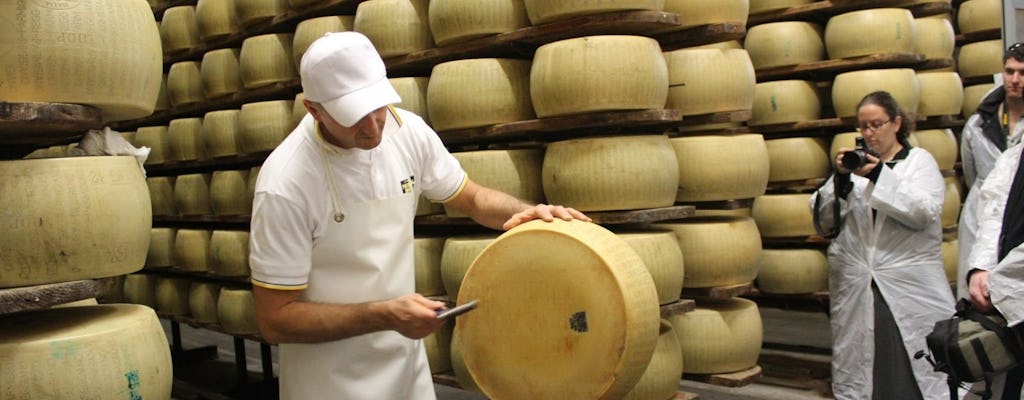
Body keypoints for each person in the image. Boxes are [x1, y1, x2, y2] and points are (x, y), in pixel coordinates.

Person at [247, 31, 590, 400]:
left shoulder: (406, 131)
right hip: (328, 379)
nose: (373, 127)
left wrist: (529, 212)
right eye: (353, 116)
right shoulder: (285, 183)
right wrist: (382, 314)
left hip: (403, 367)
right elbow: (275, 319)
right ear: (313, 109)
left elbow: (472, 198)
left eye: (377, 107)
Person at [810, 91, 955, 399]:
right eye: (863, 126)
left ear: (896, 123)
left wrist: (879, 175)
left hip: (906, 286)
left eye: (876, 124)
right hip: (859, 286)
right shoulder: (854, 169)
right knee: (862, 366)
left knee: (908, 363)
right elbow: (823, 222)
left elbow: (923, 211)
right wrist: (839, 183)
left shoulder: (918, 163)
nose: (869, 133)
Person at [958, 43, 1024, 300]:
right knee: (976, 288)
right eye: (1009, 71)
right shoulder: (978, 122)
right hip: (980, 212)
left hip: (1016, 213)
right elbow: (970, 172)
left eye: (1022, 72)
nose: (1015, 80)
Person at [965, 125, 1024, 399]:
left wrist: (1003, 278)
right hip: (1010, 301)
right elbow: (993, 210)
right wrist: (981, 267)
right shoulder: (1015, 156)